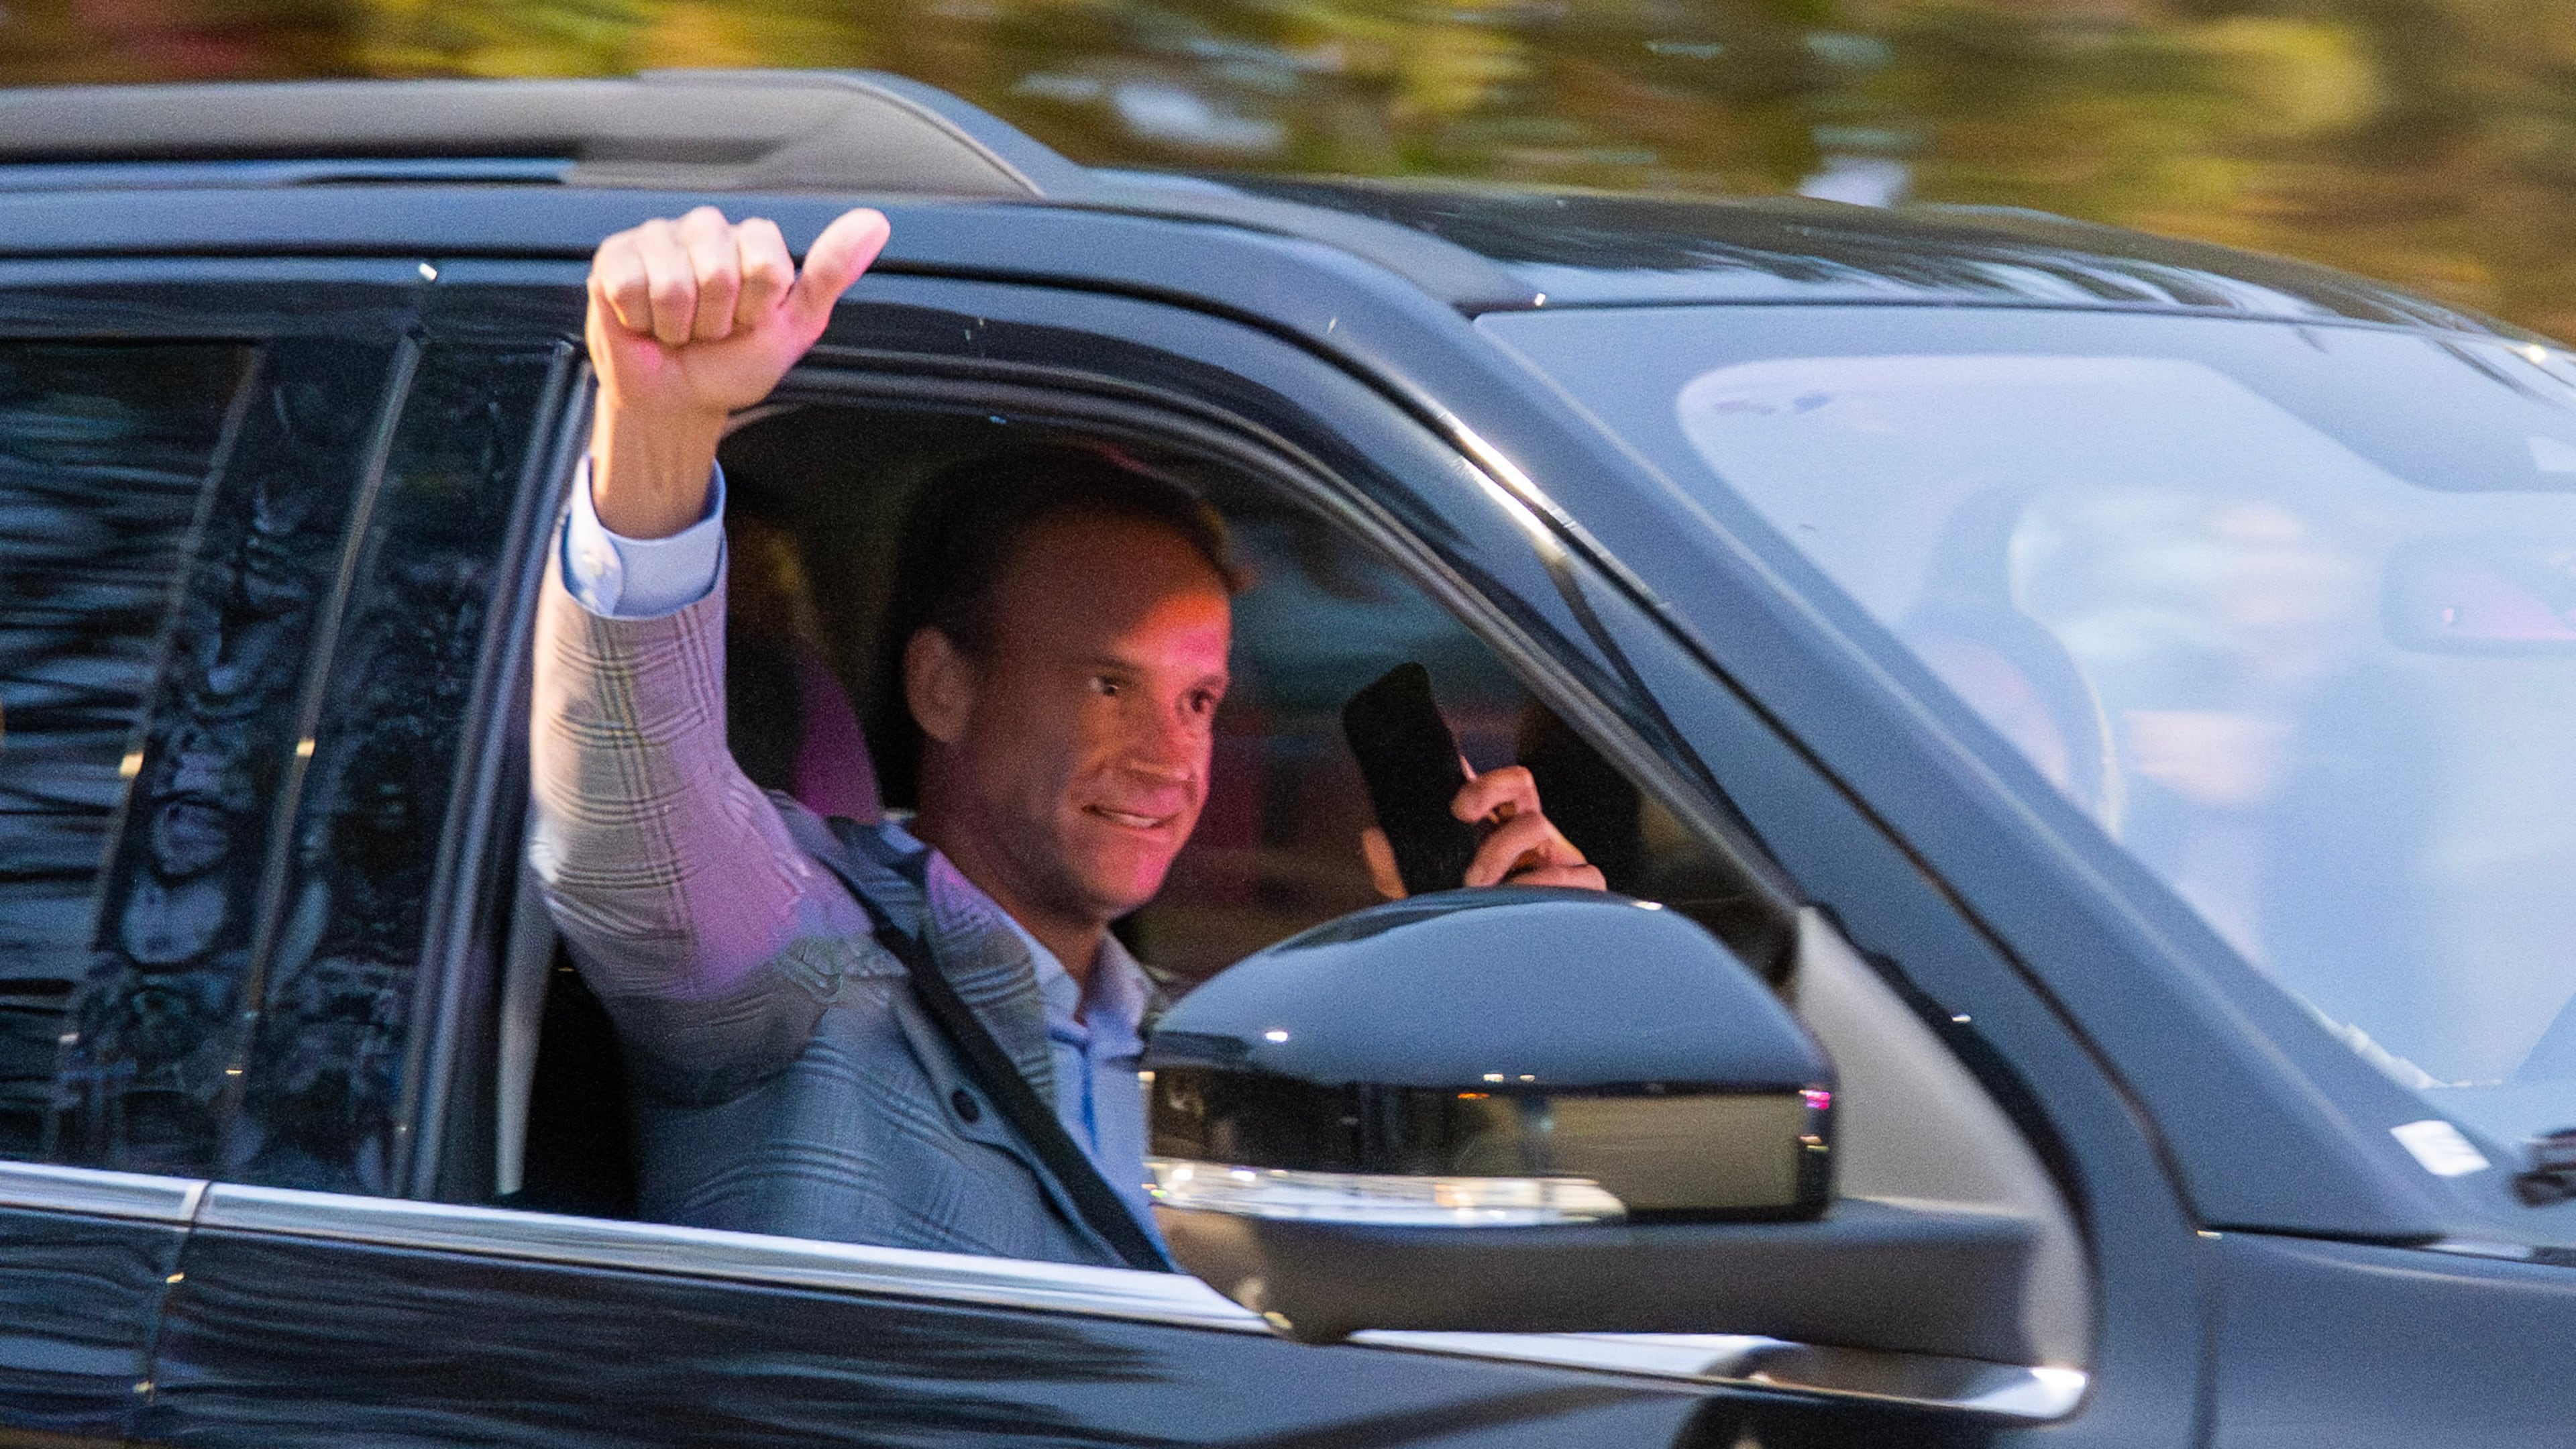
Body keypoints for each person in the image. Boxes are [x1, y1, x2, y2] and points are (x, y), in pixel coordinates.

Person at [529, 205, 1603, 1268]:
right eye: (1108, 685)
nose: (1170, 760)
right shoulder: (800, 956)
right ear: (943, 686)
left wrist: (1528, 994)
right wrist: (662, 430)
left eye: (1198, 703)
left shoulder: (1204, 1056)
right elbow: (632, 803)